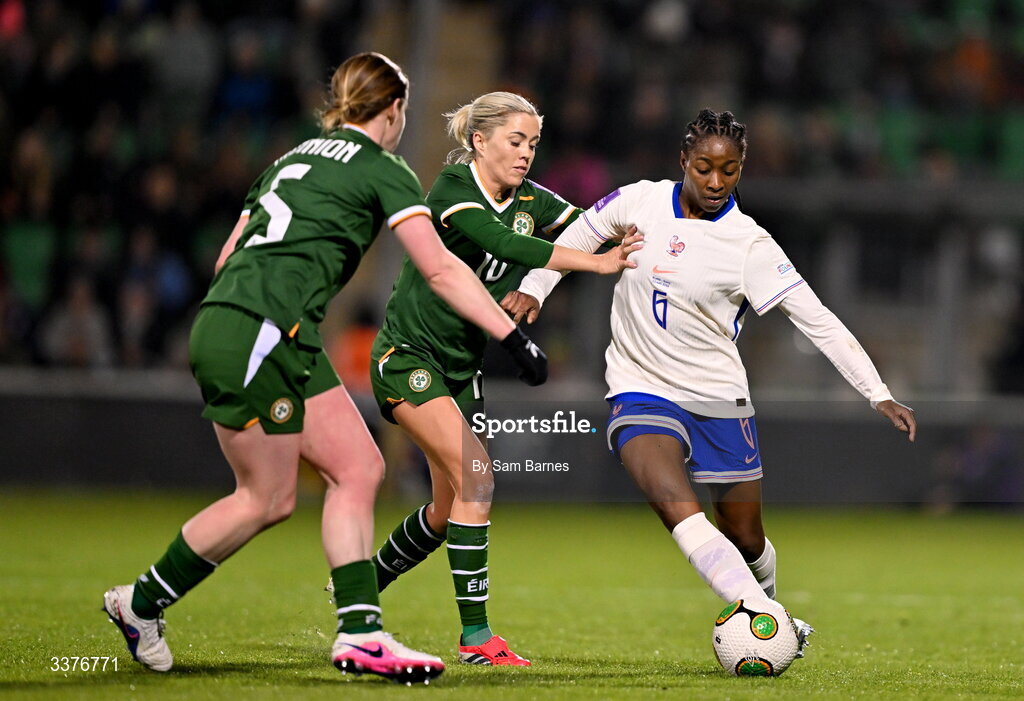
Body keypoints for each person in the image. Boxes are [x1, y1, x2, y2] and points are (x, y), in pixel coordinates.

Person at [101, 53, 550, 684]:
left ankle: (359, 631)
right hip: (265, 332)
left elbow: (229, 253)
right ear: (393, 112)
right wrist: (514, 339)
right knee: (267, 497)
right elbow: (443, 269)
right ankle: (141, 602)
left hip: (255, 325)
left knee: (359, 468)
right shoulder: (381, 166)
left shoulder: (290, 159)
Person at [505, 109, 918, 657]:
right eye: (704, 168)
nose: (716, 182)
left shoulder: (750, 245)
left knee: (745, 536)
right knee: (674, 501)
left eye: (729, 171)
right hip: (639, 386)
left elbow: (816, 318)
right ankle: (772, 628)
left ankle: (766, 606)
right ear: (684, 161)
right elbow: (576, 236)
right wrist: (535, 287)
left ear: (741, 170)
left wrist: (877, 391)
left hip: (718, 397)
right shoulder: (639, 201)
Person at [365, 92, 642, 666]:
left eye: (534, 144)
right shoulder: (450, 191)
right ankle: (476, 640)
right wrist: (596, 263)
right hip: (409, 357)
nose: (525, 154)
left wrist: (639, 233)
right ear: (479, 141)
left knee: (447, 511)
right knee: (478, 478)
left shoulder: (531, 199)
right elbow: (506, 244)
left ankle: (358, 593)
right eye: (515, 141)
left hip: (461, 371)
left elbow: (585, 226)